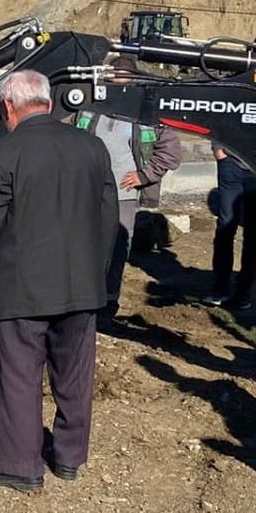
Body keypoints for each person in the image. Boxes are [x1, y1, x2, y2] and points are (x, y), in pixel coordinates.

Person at [0, 70, 119, 492]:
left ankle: (21, 467)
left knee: (19, 375)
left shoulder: (3, 154)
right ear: (49, 103)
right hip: (81, 287)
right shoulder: (93, 147)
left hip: (25, 288)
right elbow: (107, 217)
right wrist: (99, 273)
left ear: (9, 107)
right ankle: (69, 459)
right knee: (74, 375)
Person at [76, 55, 183, 330]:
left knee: (116, 251)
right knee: (84, 248)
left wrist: (144, 175)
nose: (117, 86)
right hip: (87, 191)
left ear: (133, 80)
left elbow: (171, 151)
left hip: (123, 195)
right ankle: (82, 303)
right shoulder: (91, 105)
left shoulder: (147, 111)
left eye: (122, 79)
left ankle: (107, 307)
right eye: (113, 79)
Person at [204, 27, 256, 310]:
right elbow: (218, 113)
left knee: (254, 234)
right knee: (225, 227)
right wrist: (219, 150)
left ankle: (244, 290)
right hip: (232, 166)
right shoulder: (238, 79)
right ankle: (220, 286)